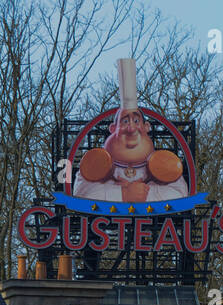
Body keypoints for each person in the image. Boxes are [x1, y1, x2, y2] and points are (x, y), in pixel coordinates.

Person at [73, 58, 190, 206]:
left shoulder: (163, 163)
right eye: (125, 121)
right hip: (107, 227)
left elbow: (180, 193)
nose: (131, 129)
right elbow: (80, 194)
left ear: (146, 127)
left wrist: (144, 194)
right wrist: (123, 194)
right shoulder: (95, 163)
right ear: (112, 129)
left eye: (136, 121)